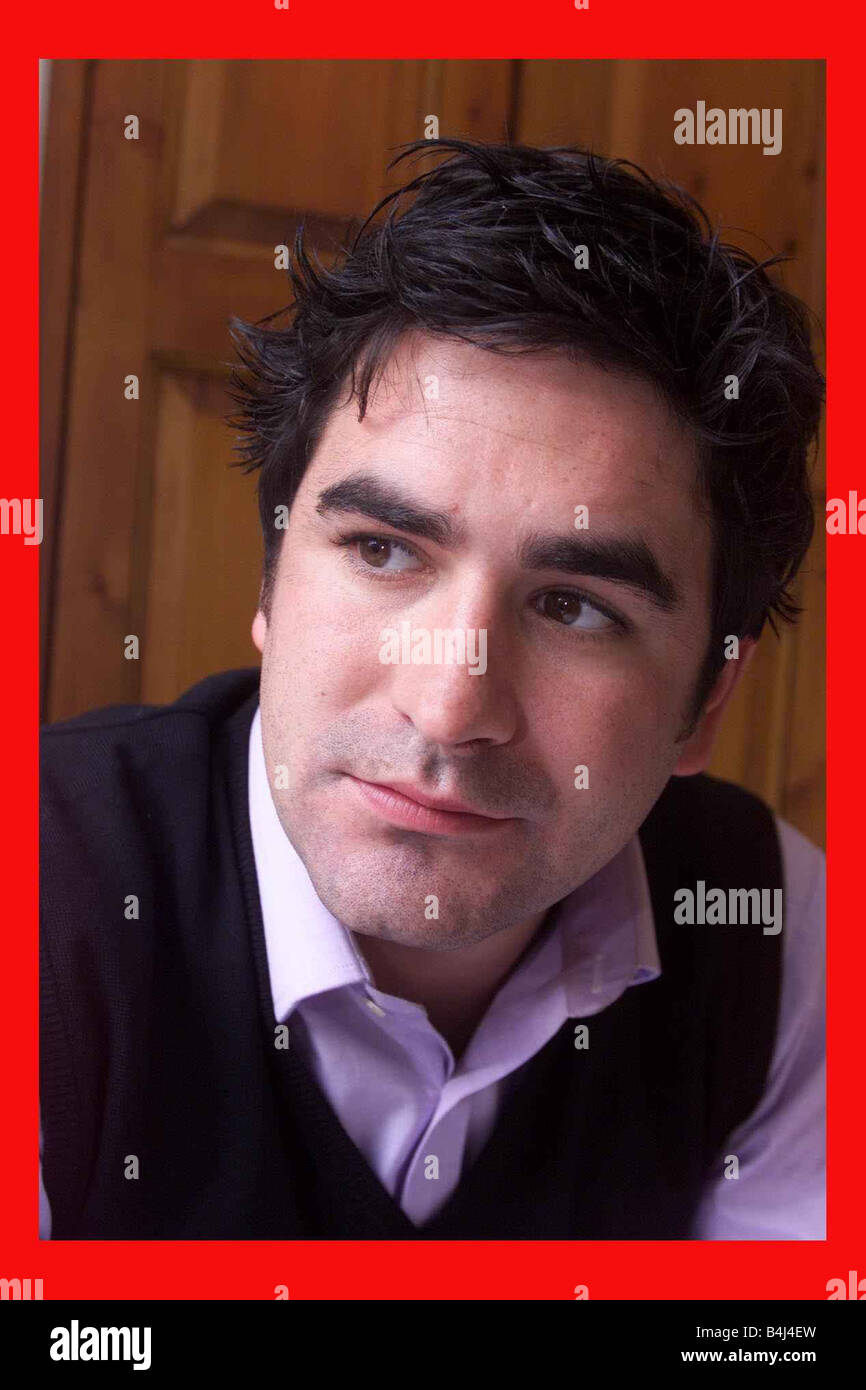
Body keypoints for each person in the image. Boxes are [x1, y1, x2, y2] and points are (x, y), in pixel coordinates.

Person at [40, 137, 825, 1239]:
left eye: (575, 607)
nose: (450, 707)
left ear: (706, 701)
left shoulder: (774, 938)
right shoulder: (44, 896)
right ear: (270, 581)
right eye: (382, 551)